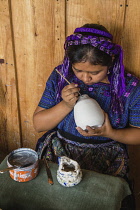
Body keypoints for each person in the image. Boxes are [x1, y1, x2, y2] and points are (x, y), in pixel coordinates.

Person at [33, 23, 140, 179]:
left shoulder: (130, 87)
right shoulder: (61, 76)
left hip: (107, 161)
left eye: (95, 72)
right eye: (78, 70)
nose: (85, 78)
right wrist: (66, 104)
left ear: (111, 61)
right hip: (60, 155)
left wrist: (111, 133)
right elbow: (38, 124)